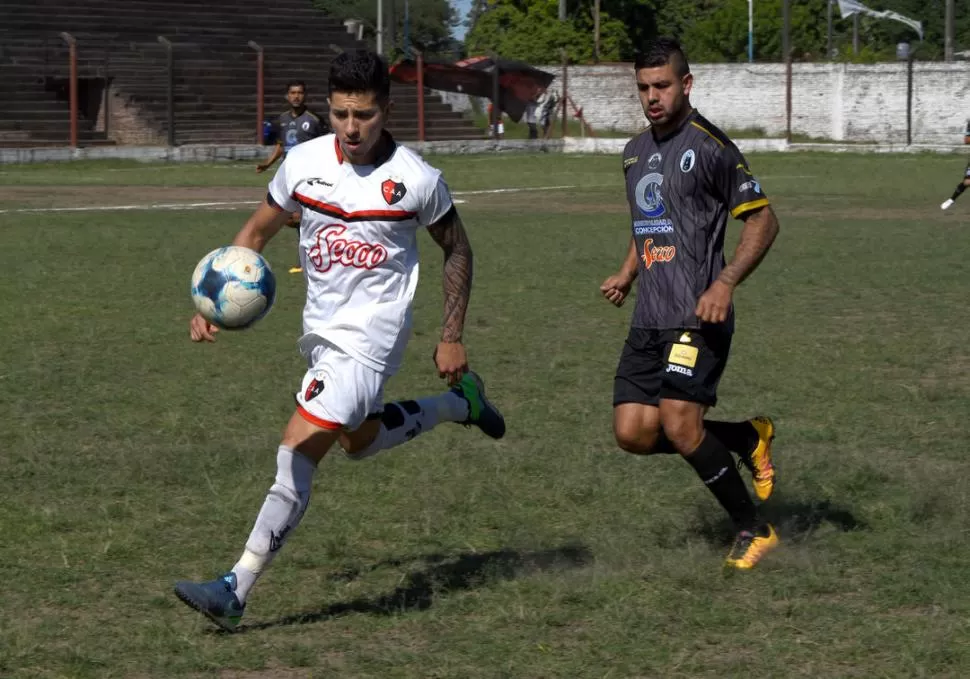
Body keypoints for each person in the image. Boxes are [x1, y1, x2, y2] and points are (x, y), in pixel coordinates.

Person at [174, 49, 506, 631]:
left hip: (372, 337)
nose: (352, 129)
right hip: (320, 334)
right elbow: (256, 230)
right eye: (341, 114)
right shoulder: (301, 164)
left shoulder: (416, 179)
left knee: (297, 446)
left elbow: (458, 248)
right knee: (357, 440)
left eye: (365, 116)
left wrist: (451, 335)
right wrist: (214, 302)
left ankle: (236, 587)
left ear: (387, 109)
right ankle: (461, 404)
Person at [599, 37, 781, 570]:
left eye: (662, 85)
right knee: (633, 433)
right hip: (649, 316)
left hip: (698, 317)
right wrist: (627, 272)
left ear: (686, 84)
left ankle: (755, 529)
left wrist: (724, 283)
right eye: (643, 88)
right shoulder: (634, 152)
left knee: (679, 422)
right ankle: (746, 437)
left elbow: (763, 220)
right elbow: (649, 221)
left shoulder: (710, 147)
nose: (652, 96)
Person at [256, 81, 329, 273]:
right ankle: (308, 259)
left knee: (300, 217)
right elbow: (280, 145)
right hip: (288, 175)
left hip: (309, 177)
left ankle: (307, 261)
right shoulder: (281, 120)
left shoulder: (314, 120)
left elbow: (327, 145)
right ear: (287, 96)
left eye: (300, 92)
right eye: (293, 93)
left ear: (305, 95)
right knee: (291, 217)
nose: (296, 96)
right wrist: (267, 164)